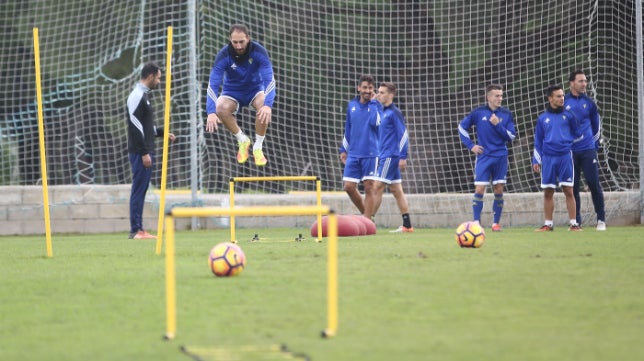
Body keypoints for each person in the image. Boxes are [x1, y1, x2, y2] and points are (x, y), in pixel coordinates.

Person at [205, 24, 276, 166]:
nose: (238, 46)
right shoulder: (223, 55)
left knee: (263, 105)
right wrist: (210, 112)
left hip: (255, 90)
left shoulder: (259, 51)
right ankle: (242, 140)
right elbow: (212, 85)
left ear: (248, 38)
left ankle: (258, 147)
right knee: (220, 107)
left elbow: (270, 81)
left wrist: (268, 105)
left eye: (241, 42)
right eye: (235, 42)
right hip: (232, 92)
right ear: (230, 40)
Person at [127, 62, 176, 239]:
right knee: (138, 190)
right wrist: (144, 152)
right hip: (141, 152)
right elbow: (134, 127)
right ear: (150, 76)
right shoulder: (137, 95)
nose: (159, 81)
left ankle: (138, 229)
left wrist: (163, 133)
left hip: (146, 150)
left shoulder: (145, 96)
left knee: (142, 188)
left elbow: (146, 128)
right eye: (158, 78)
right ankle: (136, 230)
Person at [458, 84, 516, 231]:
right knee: (479, 189)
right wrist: (471, 146)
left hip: (500, 156)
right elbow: (461, 127)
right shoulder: (478, 112)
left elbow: (511, 136)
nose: (500, 98)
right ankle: (476, 223)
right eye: (497, 95)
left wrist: (498, 125)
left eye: (501, 95)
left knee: (498, 189)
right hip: (484, 157)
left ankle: (495, 223)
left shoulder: (506, 114)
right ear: (488, 97)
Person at [532, 84, 582, 232]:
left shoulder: (569, 115)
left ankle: (574, 224)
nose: (562, 98)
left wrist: (566, 141)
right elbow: (538, 141)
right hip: (548, 159)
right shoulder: (542, 118)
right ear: (550, 98)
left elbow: (578, 133)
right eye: (558, 96)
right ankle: (548, 224)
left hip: (565, 157)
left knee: (569, 190)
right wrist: (536, 160)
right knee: (548, 192)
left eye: (562, 96)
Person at [565, 70, 606, 231]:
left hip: (588, 150)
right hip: (570, 152)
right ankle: (576, 222)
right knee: (572, 187)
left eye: (585, 81)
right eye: (581, 81)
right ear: (572, 83)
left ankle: (601, 220)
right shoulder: (563, 102)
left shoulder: (589, 103)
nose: (584, 84)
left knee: (594, 183)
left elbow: (596, 127)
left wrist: (594, 146)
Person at [339, 75, 383, 221]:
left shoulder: (377, 106)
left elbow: (375, 122)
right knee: (349, 187)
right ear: (358, 88)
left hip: (371, 153)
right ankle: (368, 216)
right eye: (364, 87)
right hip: (353, 154)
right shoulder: (351, 106)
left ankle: (367, 220)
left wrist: (372, 104)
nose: (367, 91)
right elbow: (348, 129)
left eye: (370, 88)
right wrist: (343, 149)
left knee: (369, 187)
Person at [371, 82, 414, 233]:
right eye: (379, 92)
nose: (379, 94)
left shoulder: (394, 112)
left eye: (382, 92)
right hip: (385, 155)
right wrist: (375, 101)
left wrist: (403, 156)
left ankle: (367, 221)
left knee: (376, 187)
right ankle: (407, 225)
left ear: (391, 95)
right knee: (396, 190)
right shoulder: (382, 111)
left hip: (390, 156)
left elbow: (403, 135)